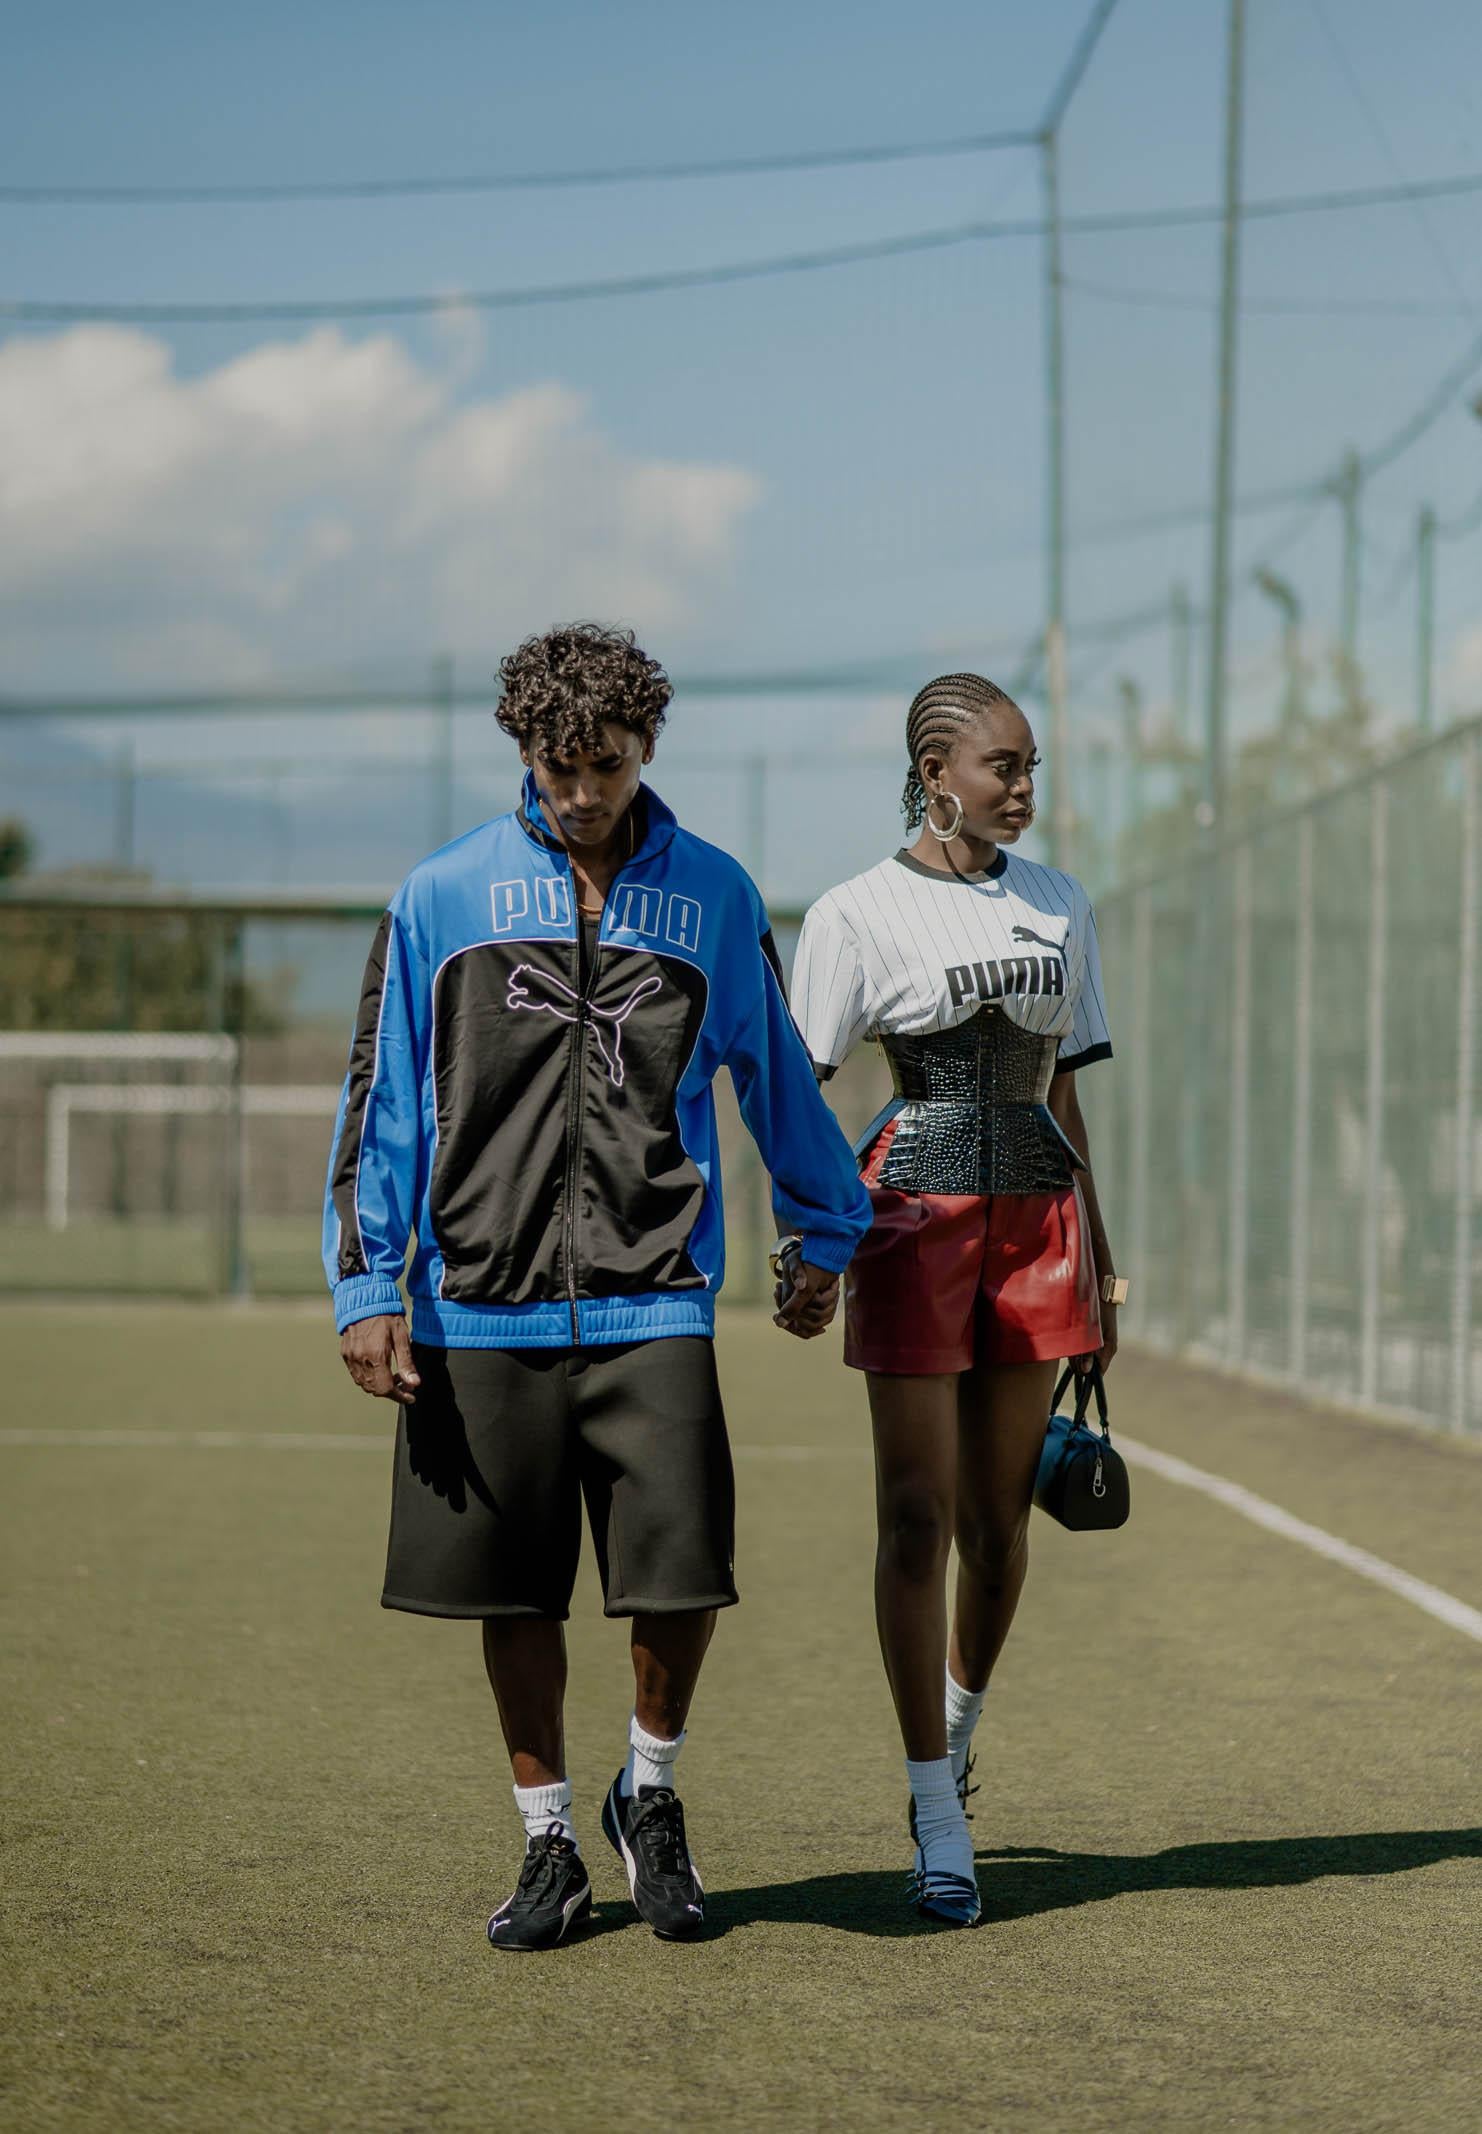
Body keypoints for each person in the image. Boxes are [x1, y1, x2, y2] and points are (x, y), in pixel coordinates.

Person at [324, 623, 871, 1952]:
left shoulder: (716, 896)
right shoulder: (441, 894)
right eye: (559, 766)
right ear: (523, 751)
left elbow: (775, 1070)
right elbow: (381, 1096)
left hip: (655, 1292)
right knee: (513, 1590)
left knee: (682, 1571)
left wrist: (825, 1227)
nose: (582, 792)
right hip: (477, 1302)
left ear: (647, 749)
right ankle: (550, 1844)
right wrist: (367, 1281)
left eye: (608, 765)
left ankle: (651, 1791)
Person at [790, 672, 1122, 1929]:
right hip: (911, 1217)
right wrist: (808, 1244)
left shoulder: (1062, 902)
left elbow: (1066, 1093)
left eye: (1032, 766)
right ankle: (936, 1811)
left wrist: (1103, 1259)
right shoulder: (853, 912)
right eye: (1003, 766)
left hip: (1039, 1219)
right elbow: (800, 1092)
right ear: (936, 774)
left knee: (998, 1523)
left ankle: (960, 1729)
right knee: (916, 1516)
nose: (1025, 788)